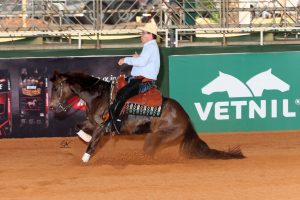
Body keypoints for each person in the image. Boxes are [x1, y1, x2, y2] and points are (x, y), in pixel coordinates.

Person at [106, 19, 161, 133]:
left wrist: (125, 60)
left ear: (151, 35)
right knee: (120, 91)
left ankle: (114, 122)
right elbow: (144, 62)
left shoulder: (150, 47)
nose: (141, 35)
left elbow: (141, 62)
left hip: (143, 82)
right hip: (141, 79)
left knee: (121, 94)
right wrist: (137, 58)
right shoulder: (150, 46)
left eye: (144, 33)